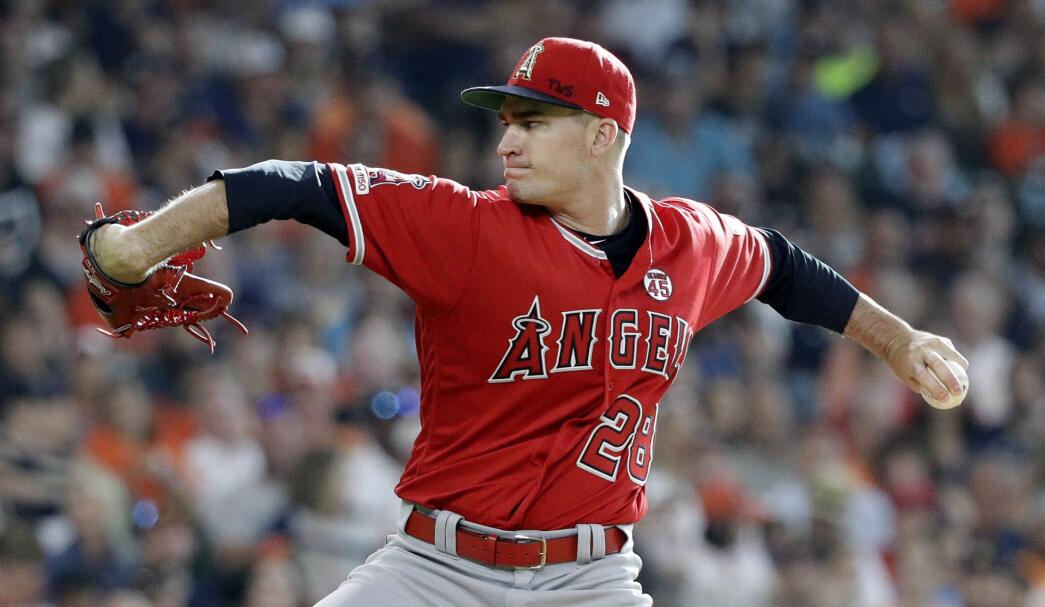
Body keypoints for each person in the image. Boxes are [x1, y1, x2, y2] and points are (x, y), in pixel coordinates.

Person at [83, 37, 968, 606]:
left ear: (602, 134)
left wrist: (899, 339)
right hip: (434, 570)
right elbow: (293, 184)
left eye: (535, 122)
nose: (507, 142)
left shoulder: (689, 243)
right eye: (506, 121)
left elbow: (782, 266)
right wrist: (134, 247)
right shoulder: (467, 228)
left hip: (591, 579)